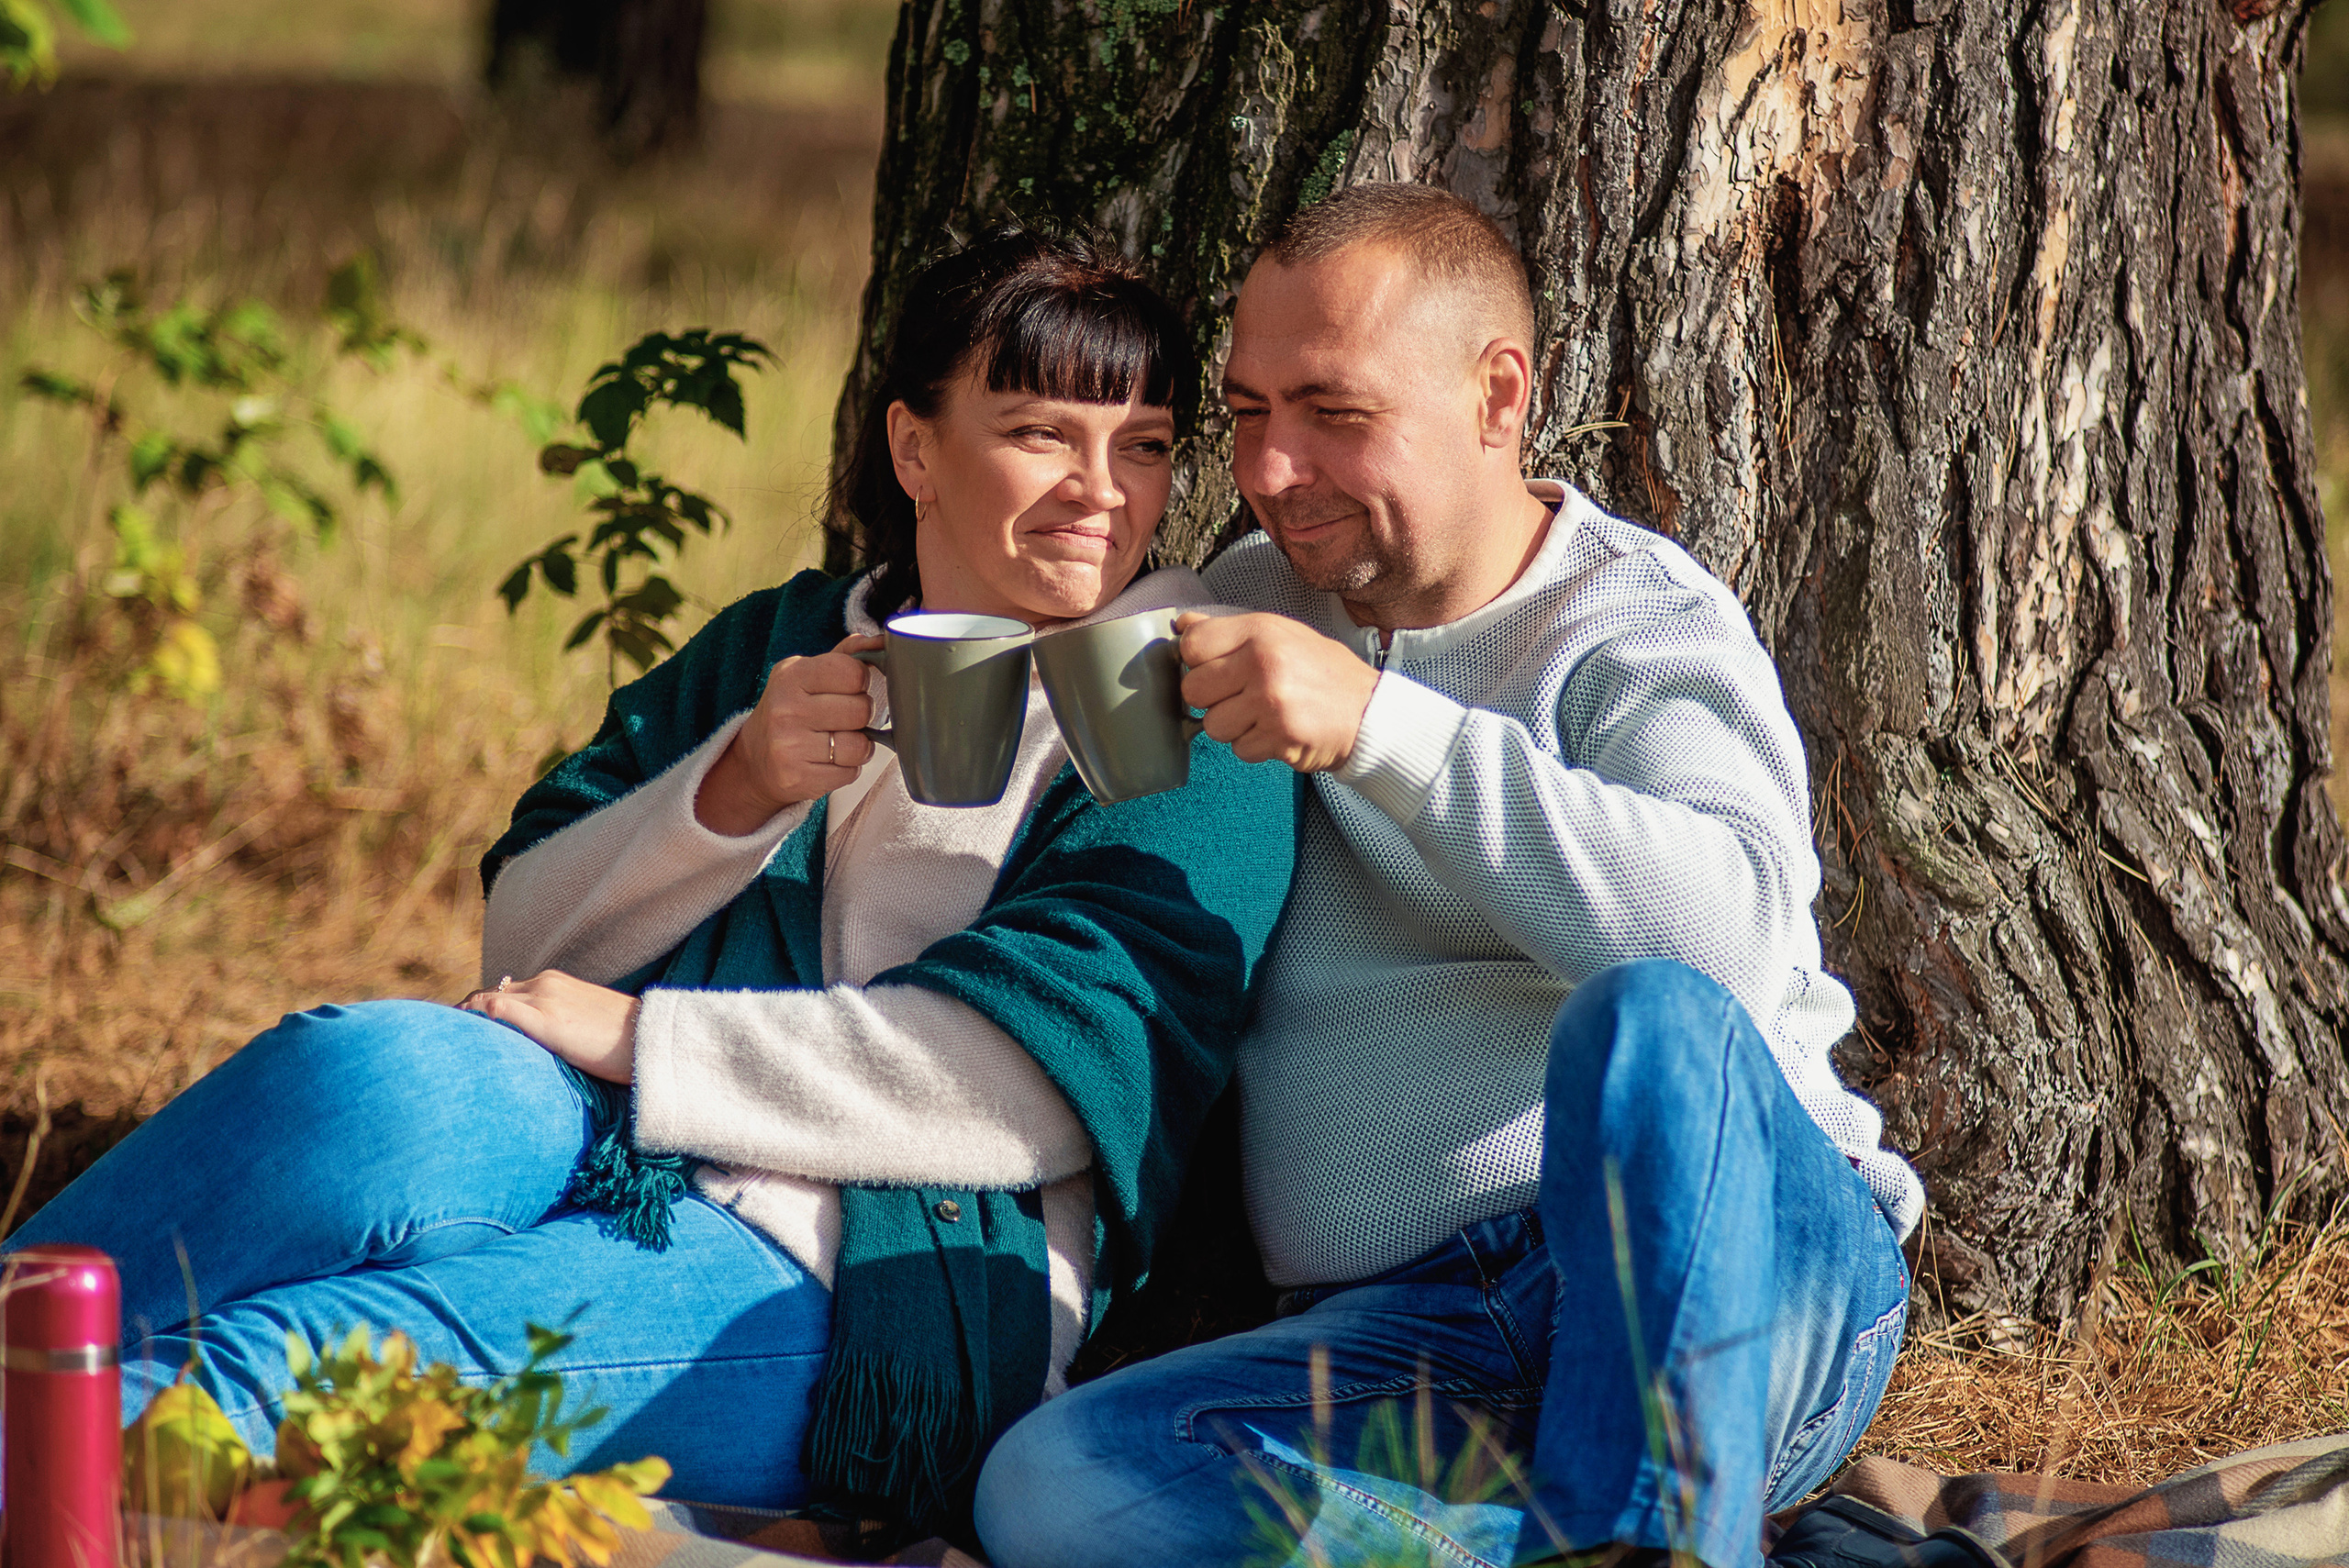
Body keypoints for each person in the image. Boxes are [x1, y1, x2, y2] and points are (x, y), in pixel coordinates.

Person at [5, 228, 1298, 1539]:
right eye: (1043, 434)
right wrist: (733, 789)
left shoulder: (1189, 711)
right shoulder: (791, 639)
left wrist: (643, 1038)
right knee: (366, 1069)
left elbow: (1031, 1089)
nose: (1106, 491)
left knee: (276, 1363)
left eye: (1142, 443)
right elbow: (526, 933)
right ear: (916, 449)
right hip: (628, 1146)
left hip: (877, 1265)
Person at [974, 185, 1923, 1568]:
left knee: (1648, 1018)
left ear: (1498, 395)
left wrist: (1376, 728)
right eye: (1245, 414)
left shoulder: (1634, 624)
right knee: (1057, 1487)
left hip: (1728, 1282)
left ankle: (1654, 1526)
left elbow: (1724, 941)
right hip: (1406, 1342)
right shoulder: (1239, 599)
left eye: (1333, 414)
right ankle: (1611, 1543)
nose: (1273, 468)